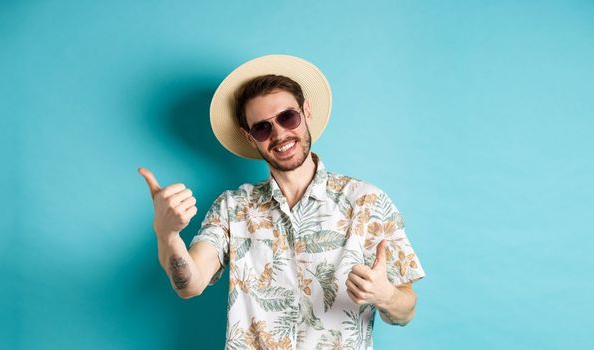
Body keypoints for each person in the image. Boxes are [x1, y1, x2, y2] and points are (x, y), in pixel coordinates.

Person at [138, 55, 426, 349]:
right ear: (249, 137)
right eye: (262, 128)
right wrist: (167, 234)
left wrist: (385, 295)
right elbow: (191, 284)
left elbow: (406, 311)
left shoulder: (367, 201)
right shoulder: (232, 207)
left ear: (306, 112)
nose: (279, 134)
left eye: (288, 117)